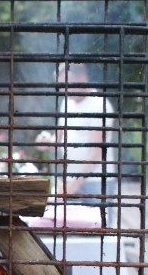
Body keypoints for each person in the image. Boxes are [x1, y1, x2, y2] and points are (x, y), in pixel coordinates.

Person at [37, 63, 116, 207]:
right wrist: (47, 142)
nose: (64, 90)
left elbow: (96, 153)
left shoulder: (99, 105)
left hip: (95, 182)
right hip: (70, 181)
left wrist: (73, 185)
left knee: (98, 227)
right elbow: (58, 141)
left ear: (82, 78)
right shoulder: (66, 103)